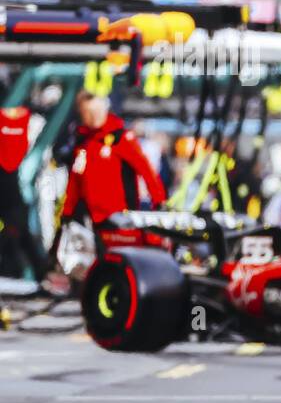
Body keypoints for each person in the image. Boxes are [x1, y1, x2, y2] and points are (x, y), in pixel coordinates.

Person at [61, 92, 166, 225]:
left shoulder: (121, 138)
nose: (94, 116)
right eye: (88, 111)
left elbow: (145, 169)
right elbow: (75, 180)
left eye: (97, 110)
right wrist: (67, 211)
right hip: (90, 217)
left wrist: (159, 200)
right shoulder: (82, 143)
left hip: (120, 217)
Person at [0, 105, 47, 280]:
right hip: (11, 198)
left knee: (20, 233)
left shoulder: (16, 126)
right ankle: (36, 271)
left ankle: (36, 272)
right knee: (19, 234)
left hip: (11, 198)